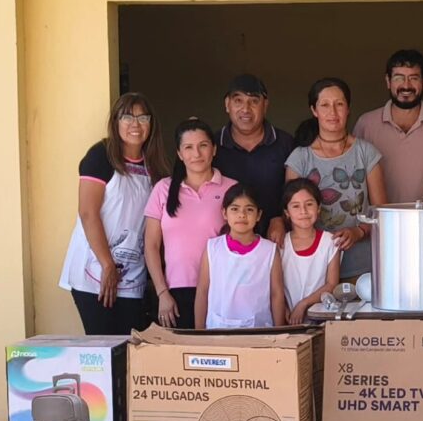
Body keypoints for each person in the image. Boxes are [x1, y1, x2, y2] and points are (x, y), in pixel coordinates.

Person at [59, 92, 169, 335]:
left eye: (143, 118)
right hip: (95, 269)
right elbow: (88, 212)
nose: (135, 124)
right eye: (127, 117)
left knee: (130, 346)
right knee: (102, 346)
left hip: (132, 274)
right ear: (116, 121)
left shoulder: (155, 165)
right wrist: (107, 264)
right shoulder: (101, 156)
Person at [285, 77, 387, 282]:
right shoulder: (300, 158)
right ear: (314, 110)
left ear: (348, 108)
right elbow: (290, 211)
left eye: (339, 104)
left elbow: (382, 213)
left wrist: (358, 231)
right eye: (324, 105)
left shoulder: (365, 152)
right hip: (313, 269)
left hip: (361, 267)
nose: (332, 112)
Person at [143, 118, 237, 329]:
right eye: (188, 147)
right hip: (174, 294)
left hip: (220, 290)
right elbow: (151, 246)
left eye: (203, 145)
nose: (196, 154)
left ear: (213, 150)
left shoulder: (232, 189)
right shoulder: (163, 189)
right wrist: (162, 293)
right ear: (179, 153)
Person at [353, 49, 423, 203]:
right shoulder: (366, 124)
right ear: (388, 81)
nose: (406, 85)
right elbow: (355, 177)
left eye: (413, 78)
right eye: (399, 78)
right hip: (379, 221)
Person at [213, 74, 294, 245]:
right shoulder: (212, 146)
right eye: (238, 101)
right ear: (227, 104)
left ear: (265, 105)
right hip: (226, 245)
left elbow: (297, 192)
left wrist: (281, 218)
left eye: (254, 101)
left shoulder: (286, 144)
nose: (245, 109)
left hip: (277, 242)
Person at [194, 183, 286, 328]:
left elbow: (277, 294)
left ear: (259, 215)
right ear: (224, 213)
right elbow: (202, 291)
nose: (242, 215)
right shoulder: (213, 248)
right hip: (217, 330)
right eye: (234, 209)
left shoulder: (269, 250)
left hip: (259, 332)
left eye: (249, 210)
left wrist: (279, 332)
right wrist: (199, 332)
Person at [281, 178, 340, 324]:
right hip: (288, 320)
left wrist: (303, 304)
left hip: (321, 320)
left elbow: (331, 284)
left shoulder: (330, 242)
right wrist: (283, 309)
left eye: (309, 204)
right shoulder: (280, 245)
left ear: (318, 208)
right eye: (295, 206)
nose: (303, 211)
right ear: (286, 212)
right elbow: (274, 286)